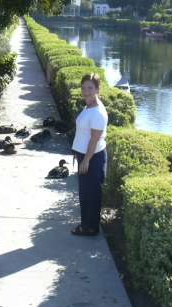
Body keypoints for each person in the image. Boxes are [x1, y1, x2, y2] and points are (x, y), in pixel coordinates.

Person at [71, 73, 108, 236]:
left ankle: (90, 227)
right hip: (85, 156)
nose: (86, 91)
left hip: (92, 158)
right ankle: (86, 224)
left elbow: (94, 139)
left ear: (97, 89)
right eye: (84, 87)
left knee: (91, 194)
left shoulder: (98, 112)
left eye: (90, 88)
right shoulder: (89, 106)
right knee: (85, 193)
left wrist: (86, 160)